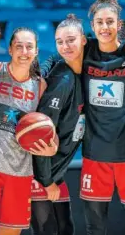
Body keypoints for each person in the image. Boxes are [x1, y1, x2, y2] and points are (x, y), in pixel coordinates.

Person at [42, 0, 125, 235]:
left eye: (110, 22)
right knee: (94, 228)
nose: (105, 27)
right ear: (92, 26)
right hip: (94, 156)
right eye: (99, 22)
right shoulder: (85, 49)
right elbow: (56, 56)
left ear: (119, 25)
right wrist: (41, 73)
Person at [0, 27, 57, 235]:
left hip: (20, 174)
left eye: (29, 47)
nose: (24, 51)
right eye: (19, 46)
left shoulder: (40, 86)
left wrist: (51, 149)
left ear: (36, 51)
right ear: (9, 49)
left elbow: (47, 127)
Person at [30, 14, 86, 235]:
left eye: (70, 40)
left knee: (65, 228)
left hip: (56, 173)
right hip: (39, 173)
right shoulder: (62, 81)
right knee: (48, 230)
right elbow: (40, 135)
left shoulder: (88, 72)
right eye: (60, 41)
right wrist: (45, 182)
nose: (65, 46)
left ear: (84, 40)